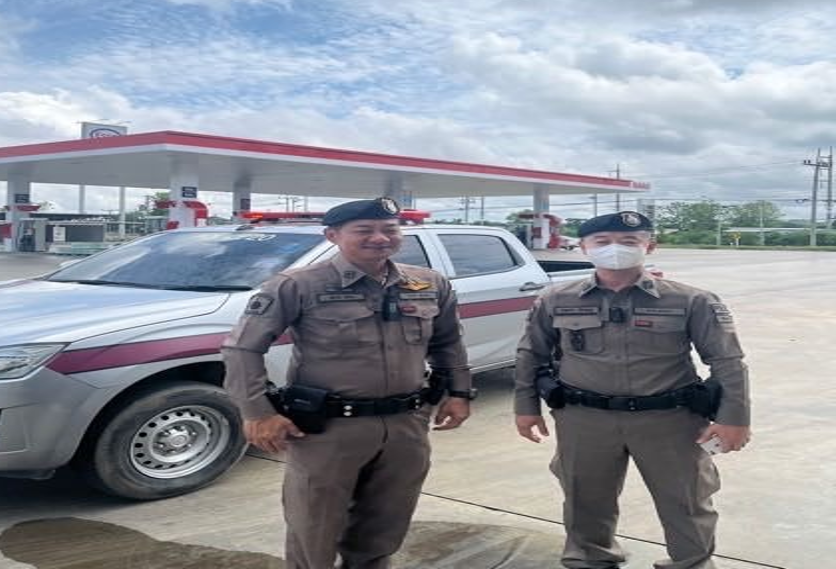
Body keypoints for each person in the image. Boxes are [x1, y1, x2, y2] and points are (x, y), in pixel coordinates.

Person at [222, 197, 474, 569]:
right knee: (315, 526)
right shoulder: (297, 285)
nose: (380, 238)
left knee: (386, 523)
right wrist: (257, 412)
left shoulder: (428, 283)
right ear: (333, 236)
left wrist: (459, 392)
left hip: (406, 424)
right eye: (364, 230)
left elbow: (448, 342)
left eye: (389, 229)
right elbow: (242, 348)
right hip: (329, 430)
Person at [513, 211, 750, 569]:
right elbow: (531, 354)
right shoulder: (555, 298)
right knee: (583, 495)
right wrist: (526, 407)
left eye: (629, 241)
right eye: (602, 241)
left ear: (649, 246)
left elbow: (727, 361)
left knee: (686, 498)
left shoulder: (691, 300)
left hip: (670, 420)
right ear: (584, 247)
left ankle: (692, 562)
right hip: (584, 418)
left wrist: (734, 419)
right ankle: (590, 557)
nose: (615, 248)